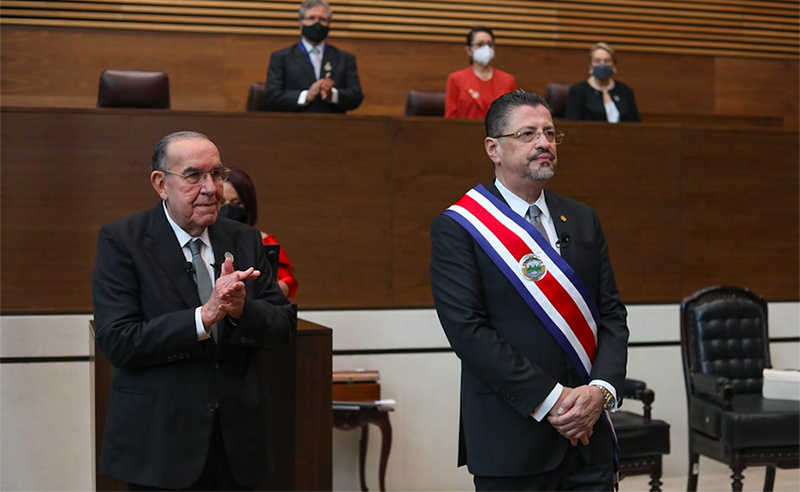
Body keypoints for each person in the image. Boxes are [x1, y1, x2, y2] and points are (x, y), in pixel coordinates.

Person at [430, 90, 628, 491]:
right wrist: (554, 399)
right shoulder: (459, 227)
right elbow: (468, 331)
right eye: (528, 134)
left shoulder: (583, 219)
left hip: (589, 440)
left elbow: (611, 315)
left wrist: (600, 391)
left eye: (550, 134)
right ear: (494, 149)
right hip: (511, 440)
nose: (544, 143)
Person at [92, 131, 296, 492]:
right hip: (161, 445)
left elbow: (282, 327)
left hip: (238, 448)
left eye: (216, 174)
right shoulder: (123, 240)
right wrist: (204, 317)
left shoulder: (246, 239)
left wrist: (241, 310)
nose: (211, 188)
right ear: (160, 183)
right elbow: (119, 341)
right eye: (194, 175)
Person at [265, 0, 363, 113]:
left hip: (333, 121)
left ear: (329, 24)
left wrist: (332, 94)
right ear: (300, 24)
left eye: (322, 19)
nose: (317, 23)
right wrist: (306, 96)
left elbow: (356, 97)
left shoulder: (345, 58)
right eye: (311, 18)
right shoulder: (281, 57)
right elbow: (272, 96)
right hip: (295, 121)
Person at [220, 166, 299, 299]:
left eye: (236, 203)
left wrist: (270, 292)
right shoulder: (200, 240)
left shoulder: (263, 240)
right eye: (221, 203)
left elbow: (289, 281)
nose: (228, 209)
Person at [445, 26, 517, 119]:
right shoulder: (456, 79)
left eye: (489, 44)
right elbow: (450, 117)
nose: (486, 48)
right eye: (480, 44)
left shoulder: (508, 80)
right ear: (469, 50)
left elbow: (514, 117)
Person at [564, 42, 641, 123]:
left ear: (614, 65)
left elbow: (636, 124)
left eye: (607, 61)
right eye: (597, 61)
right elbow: (572, 125)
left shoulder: (625, 91)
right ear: (590, 65)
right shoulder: (578, 91)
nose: (602, 64)